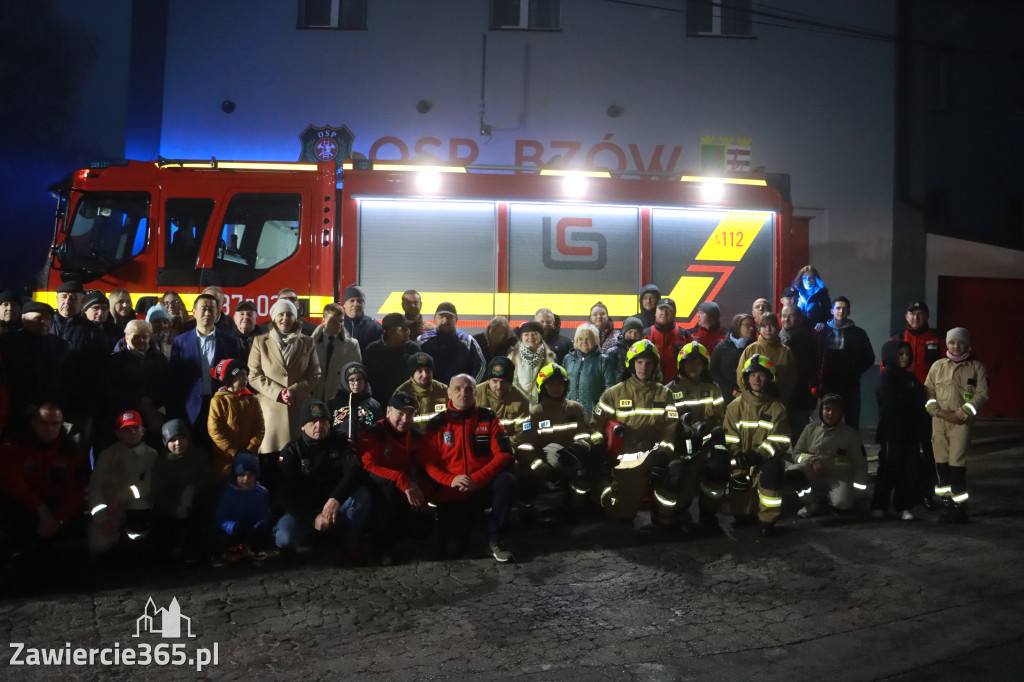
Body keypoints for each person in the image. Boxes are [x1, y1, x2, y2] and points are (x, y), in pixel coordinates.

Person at [421, 374, 517, 562]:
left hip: (482, 487)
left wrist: (477, 479)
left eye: (468, 389)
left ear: (475, 393)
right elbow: (427, 463)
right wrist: (451, 480)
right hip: (453, 491)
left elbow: (504, 454)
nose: (463, 393)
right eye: (457, 388)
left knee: (507, 481)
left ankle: (495, 539)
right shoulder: (437, 423)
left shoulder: (488, 418)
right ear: (449, 392)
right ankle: (469, 530)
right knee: (453, 550)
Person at [591, 339, 678, 523]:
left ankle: (661, 511)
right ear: (631, 364)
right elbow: (595, 425)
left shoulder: (664, 394)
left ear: (655, 366)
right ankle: (601, 487)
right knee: (622, 513)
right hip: (624, 462)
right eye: (639, 362)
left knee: (676, 475)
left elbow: (670, 428)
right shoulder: (614, 393)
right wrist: (599, 446)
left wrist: (663, 456)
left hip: (654, 458)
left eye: (648, 363)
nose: (643, 367)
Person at [273, 400, 371, 560]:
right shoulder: (291, 452)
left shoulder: (340, 442)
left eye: (323, 421)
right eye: (312, 421)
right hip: (306, 510)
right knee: (285, 538)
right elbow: (284, 496)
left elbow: (353, 471)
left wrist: (336, 498)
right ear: (302, 426)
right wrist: (312, 519)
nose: (318, 425)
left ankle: (351, 543)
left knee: (362, 496)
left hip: (335, 506)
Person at [715, 355, 791, 536]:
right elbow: (730, 439)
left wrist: (758, 455)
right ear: (746, 378)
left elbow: (780, 441)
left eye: (762, 375)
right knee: (742, 515)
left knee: (773, 470)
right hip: (740, 461)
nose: (757, 379)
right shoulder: (734, 407)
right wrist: (739, 461)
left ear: (770, 378)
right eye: (753, 374)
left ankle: (768, 520)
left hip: (765, 460)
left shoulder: (777, 409)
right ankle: (745, 511)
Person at [0, 403, 87, 559]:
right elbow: (11, 482)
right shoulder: (16, 444)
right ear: (34, 422)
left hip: (55, 511)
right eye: (44, 423)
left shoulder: (70, 451)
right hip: (25, 505)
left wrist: (58, 520)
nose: (50, 428)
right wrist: (40, 508)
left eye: (55, 423)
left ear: (62, 424)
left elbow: (76, 491)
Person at [881, 301, 944, 509]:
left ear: (927, 317)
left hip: (928, 405)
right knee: (901, 453)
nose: (916, 317)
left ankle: (927, 494)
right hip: (902, 408)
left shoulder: (938, 338)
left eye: (920, 313)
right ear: (906, 317)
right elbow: (885, 369)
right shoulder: (897, 338)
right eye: (912, 313)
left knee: (929, 451)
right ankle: (902, 494)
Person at [515, 363, 597, 520]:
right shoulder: (533, 413)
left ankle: (575, 506)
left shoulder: (576, 408)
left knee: (585, 472)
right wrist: (543, 469)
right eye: (551, 384)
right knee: (526, 482)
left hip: (570, 459)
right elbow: (524, 447)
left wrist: (578, 448)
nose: (556, 387)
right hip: (542, 461)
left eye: (560, 383)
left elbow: (585, 434)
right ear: (542, 387)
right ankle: (526, 511)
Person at [924, 327, 989, 523]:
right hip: (939, 423)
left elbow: (982, 395)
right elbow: (928, 394)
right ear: (947, 344)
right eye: (952, 342)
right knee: (941, 466)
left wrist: (962, 414)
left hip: (961, 423)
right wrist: (938, 412)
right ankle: (948, 505)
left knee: (957, 466)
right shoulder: (937, 366)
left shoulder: (976, 368)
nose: (956, 346)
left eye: (960, 342)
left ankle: (960, 508)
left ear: (968, 345)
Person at [358, 391, 429, 564]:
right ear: (388, 411)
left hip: (403, 491)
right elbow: (369, 467)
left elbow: (424, 465)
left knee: (423, 528)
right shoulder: (374, 433)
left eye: (410, 414)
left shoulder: (416, 436)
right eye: (401, 413)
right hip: (378, 490)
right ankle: (380, 548)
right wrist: (402, 480)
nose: (405, 419)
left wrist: (423, 493)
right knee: (387, 489)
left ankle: (399, 534)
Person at [664, 342, 725, 529]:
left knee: (716, 469)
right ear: (681, 365)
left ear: (704, 365)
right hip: (680, 445)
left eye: (698, 363)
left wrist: (714, 436)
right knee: (682, 476)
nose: (693, 366)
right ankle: (679, 511)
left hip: (706, 443)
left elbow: (721, 417)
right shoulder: (670, 390)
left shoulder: (713, 388)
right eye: (689, 362)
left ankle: (709, 512)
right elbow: (665, 422)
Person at [248, 297, 321, 454]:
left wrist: (294, 390)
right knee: (270, 463)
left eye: (289, 314)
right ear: (274, 317)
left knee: (297, 459)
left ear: (295, 318)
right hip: (269, 413)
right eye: (281, 314)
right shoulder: (260, 341)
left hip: (299, 409)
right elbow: (253, 375)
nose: (285, 318)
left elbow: (315, 373)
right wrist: (278, 392)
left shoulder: (308, 342)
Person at [168, 294, 244, 437]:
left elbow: (236, 377)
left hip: (221, 408)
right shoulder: (180, 342)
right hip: (190, 410)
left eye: (211, 310)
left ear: (217, 314)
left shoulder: (230, 342)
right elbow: (173, 380)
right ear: (194, 312)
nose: (207, 313)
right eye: (203, 309)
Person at [87, 410, 158, 557]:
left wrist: (120, 496)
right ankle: (115, 541)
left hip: (134, 504)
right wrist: (102, 519)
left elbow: (147, 486)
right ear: (117, 433)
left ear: (143, 431)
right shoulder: (107, 455)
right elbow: (95, 487)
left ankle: (137, 546)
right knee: (98, 544)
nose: (132, 433)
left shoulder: (151, 455)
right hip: (110, 508)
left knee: (140, 507)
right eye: (126, 429)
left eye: (136, 428)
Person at [872, 341, 928, 521]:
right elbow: (891, 401)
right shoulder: (886, 376)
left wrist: (908, 395)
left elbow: (921, 397)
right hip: (892, 433)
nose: (905, 357)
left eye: (907, 354)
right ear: (891, 355)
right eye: (900, 354)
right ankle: (879, 506)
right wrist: (910, 396)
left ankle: (904, 506)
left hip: (911, 433)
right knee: (888, 469)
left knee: (909, 470)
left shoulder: (910, 377)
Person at [787, 394, 868, 518]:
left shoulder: (851, 434)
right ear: (821, 410)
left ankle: (831, 501)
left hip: (839, 477)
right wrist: (812, 461)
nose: (831, 413)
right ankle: (811, 503)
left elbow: (860, 464)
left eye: (835, 410)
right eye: (827, 409)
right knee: (794, 472)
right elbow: (797, 453)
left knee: (842, 506)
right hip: (812, 473)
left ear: (841, 413)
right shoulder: (810, 429)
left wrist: (857, 492)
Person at [100, 319, 169, 451]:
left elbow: (166, 384)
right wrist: (137, 401)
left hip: (153, 415)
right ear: (126, 337)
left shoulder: (159, 359)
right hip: (124, 415)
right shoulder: (114, 360)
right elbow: (109, 388)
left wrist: (153, 401)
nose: (141, 340)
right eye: (136, 337)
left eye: (144, 337)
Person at [152, 419, 213, 560]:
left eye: (181, 438)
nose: (178, 443)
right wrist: (175, 509)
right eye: (173, 440)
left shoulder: (199, 455)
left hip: (195, 505)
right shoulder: (161, 463)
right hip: (172, 509)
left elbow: (208, 478)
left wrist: (192, 490)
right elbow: (158, 492)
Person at [0, 302, 69, 426]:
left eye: (48, 319)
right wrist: (21, 405)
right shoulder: (8, 342)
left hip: (49, 413)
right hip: (15, 412)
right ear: (24, 319)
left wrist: (54, 405)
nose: (44, 322)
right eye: (38, 318)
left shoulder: (59, 345)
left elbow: (67, 377)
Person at [818, 296, 875, 429]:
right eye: (838, 308)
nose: (841, 312)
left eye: (844, 309)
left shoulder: (859, 333)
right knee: (828, 420)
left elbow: (869, 358)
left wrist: (854, 371)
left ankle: (851, 449)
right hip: (828, 383)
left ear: (849, 312)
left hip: (850, 385)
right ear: (832, 311)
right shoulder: (821, 331)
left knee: (852, 420)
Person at [211, 451, 276, 564]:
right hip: (233, 531)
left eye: (250, 475)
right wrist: (233, 527)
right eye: (242, 475)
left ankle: (251, 549)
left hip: (251, 531)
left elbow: (264, 514)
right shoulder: (227, 493)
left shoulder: (262, 493)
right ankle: (227, 551)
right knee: (220, 539)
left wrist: (259, 526)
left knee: (263, 535)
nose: (246, 479)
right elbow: (220, 518)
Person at [208, 359, 265, 482]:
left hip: (249, 456)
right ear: (230, 379)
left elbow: (259, 427)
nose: (245, 379)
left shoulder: (252, 400)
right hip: (226, 459)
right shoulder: (218, 401)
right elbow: (215, 431)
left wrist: (251, 448)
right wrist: (234, 451)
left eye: (246, 375)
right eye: (240, 375)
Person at [736, 313, 796, 406]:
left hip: (778, 403)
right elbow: (741, 377)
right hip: (752, 403)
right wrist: (752, 399)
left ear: (778, 328)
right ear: (759, 329)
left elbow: (791, 380)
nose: (768, 329)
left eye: (772, 325)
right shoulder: (750, 349)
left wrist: (782, 401)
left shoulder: (786, 351)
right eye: (764, 326)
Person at [419, 302, 485, 385]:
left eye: (449, 317)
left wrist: (470, 387)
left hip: (459, 394)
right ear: (435, 318)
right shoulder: (422, 341)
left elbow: (481, 366)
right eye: (441, 317)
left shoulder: (468, 341)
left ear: (456, 319)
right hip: (431, 393)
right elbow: (413, 368)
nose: (445, 320)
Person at [779, 305, 818, 442]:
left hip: (800, 397)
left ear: (800, 318)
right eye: (783, 316)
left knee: (801, 438)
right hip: (777, 397)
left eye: (791, 315)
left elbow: (814, 369)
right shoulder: (774, 341)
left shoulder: (810, 342)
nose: (786, 319)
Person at [563, 323, 616, 419]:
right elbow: (562, 384)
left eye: (588, 339)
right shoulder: (568, 359)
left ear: (595, 340)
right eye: (580, 339)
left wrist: (598, 406)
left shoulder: (604, 360)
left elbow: (610, 387)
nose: (584, 342)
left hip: (593, 414)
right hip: (569, 412)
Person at [363, 312, 419, 403]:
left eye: (407, 327)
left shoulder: (413, 349)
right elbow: (368, 380)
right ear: (390, 331)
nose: (408, 330)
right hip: (379, 402)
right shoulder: (373, 350)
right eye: (403, 328)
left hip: (406, 403)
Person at [311, 302, 361, 403]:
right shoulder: (309, 343)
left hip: (339, 398)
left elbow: (357, 374)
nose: (339, 325)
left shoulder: (352, 345)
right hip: (314, 397)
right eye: (333, 321)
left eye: (341, 321)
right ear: (324, 321)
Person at [475, 356, 531, 440]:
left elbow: (523, 433)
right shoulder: (475, 394)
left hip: (506, 444)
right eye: (494, 381)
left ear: (511, 382)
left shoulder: (521, 400)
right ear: (488, 380)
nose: (499, 386)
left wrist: (503, 446)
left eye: (503, 382)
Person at [329, 362, 383, 441]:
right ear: (345, 381)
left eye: (360, 379)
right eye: (351, 380)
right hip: (341, 448)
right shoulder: (333, 404)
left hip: (366, 448)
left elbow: (380, 429)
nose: (356, 383)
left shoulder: (373, 404)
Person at [710, 313, 757, 404]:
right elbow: (713, 371)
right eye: (748, 325)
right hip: (726, 396)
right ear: (737, 326)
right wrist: (731, 390)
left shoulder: (755, 347)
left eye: (752, 325)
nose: (751, 328)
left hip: (749, 396)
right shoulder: (722, 347)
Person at [508, 320, 557, 405]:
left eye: (535, 334)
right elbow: (511, 382)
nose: (531, 337)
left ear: (541, 336)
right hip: (520, 404)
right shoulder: (513, 356)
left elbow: (552, 382)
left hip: (542, 405)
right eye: (526, 334)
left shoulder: (549, 357)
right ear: (521, 337)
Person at [394, 352, 449, 426]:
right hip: (412, 437)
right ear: (412, 374)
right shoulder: (401, 393)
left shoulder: (443, 390)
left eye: (428, 370)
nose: (425, 375)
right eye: (419, 371)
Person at [644, 298, 691, 383]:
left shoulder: (685, 336)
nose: (664, 313)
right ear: (656, 312)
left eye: (668, 310)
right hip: (651, 386)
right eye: (661, 309)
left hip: (677, 385)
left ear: (675, 313)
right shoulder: (645, 335)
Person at [341, 284, 384, 353]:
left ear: (364, 304)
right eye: (352, 301)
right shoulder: (337, 325)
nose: (356, 304)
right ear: (344, 304)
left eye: (360, 301)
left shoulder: (375, 327)